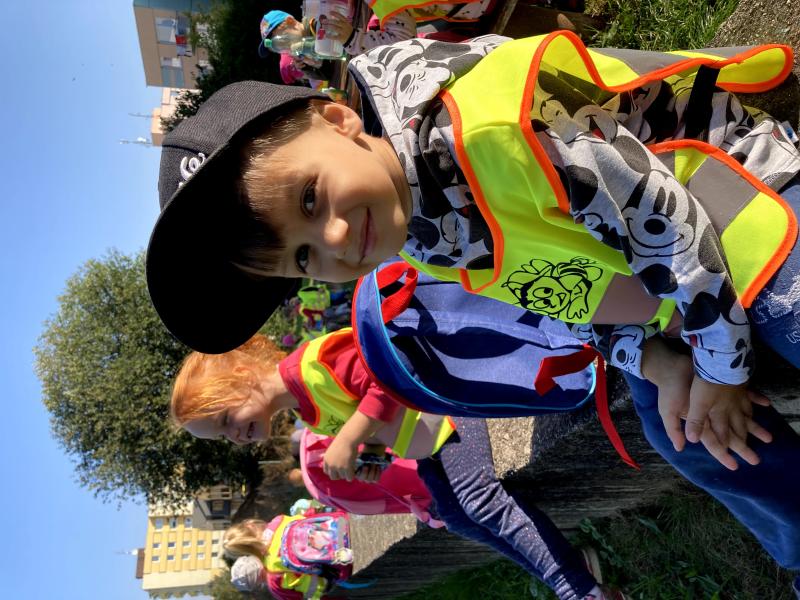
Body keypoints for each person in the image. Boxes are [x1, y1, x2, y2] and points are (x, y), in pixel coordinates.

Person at [145, 33, 800, 594]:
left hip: (733, 188)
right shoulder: (412, 228)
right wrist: (654, 360)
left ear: (338, 120)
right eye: (304, 257)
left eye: (310, 199)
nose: (335, 241)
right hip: (670, 284)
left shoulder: (479, 131)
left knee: (784, 310)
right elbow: (561, 296)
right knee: (677, 427)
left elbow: (662, 214)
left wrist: (719, 367)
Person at [170, 332, 621, 600]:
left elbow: (387, 375)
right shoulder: (307, 409)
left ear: (242, 378)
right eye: (224, 437)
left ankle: (578, 588)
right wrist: (373, 455)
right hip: (429, 439)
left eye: (226, 420)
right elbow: (376, 419)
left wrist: (348, 438)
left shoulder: (312, 366)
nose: (235, 436)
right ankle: (565, 571)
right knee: (456, 517)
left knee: (479, 501)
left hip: (445, 406)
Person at [260, 8, 415, 59]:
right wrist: (310, 67)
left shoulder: (318, 19)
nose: (286, 47)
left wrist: (352, 39)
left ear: (290, 21)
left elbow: (404, 43)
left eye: (283, 40)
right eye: (279, 48)